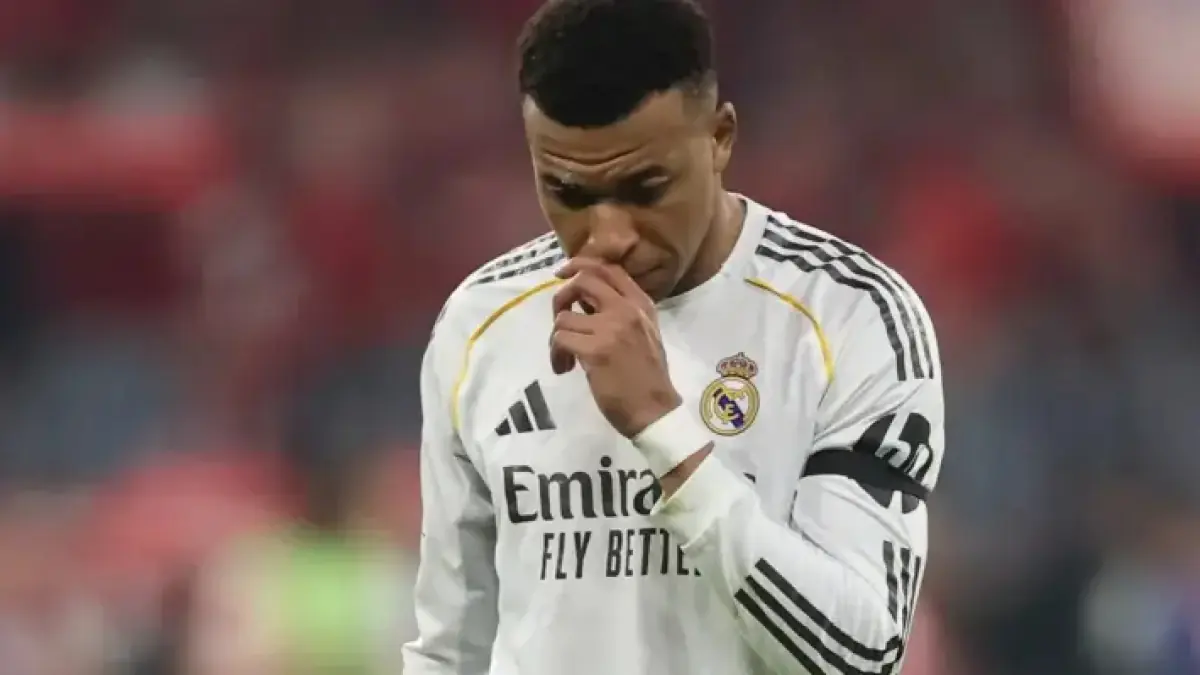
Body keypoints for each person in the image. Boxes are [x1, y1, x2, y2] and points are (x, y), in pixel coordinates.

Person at [403, 1, 944, 673]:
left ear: (720, 138)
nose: (608, 237)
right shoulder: (481, 324)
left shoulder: (848, 318)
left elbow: (858, 655)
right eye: (568, 192)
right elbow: (448, 649)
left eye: (645, 188)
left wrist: (664, 431)